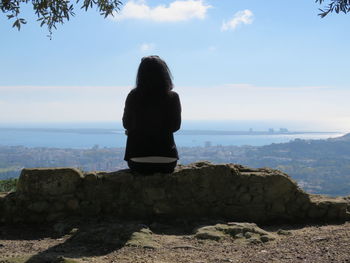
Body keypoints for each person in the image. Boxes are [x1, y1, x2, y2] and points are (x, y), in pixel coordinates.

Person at [122, 56, 181, 174]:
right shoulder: (172, 97)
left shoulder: (134, 96)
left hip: (138, 160)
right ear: (165, 74)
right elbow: (175, 126)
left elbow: (126, 124)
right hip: (167, 161)